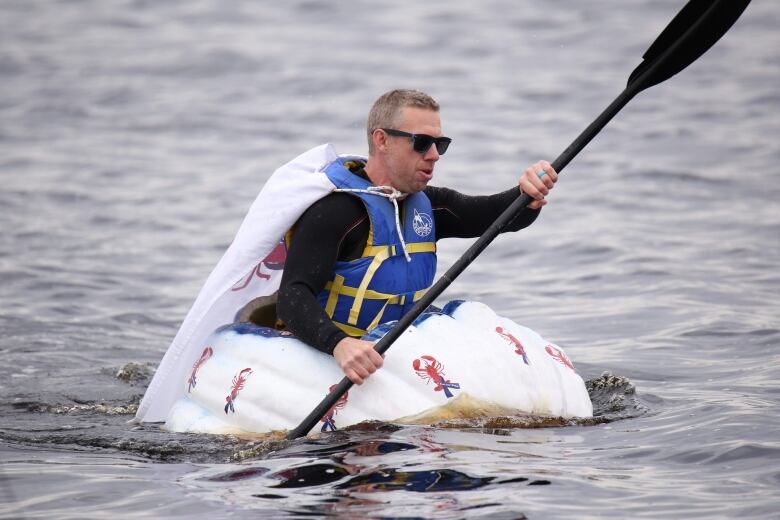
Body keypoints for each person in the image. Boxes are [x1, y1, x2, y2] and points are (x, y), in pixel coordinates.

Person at [276, 89, 557, 386]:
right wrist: (339, 344)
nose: (434, 155)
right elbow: (293, 296)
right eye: (422, 143)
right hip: (332, 355)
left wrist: (527, 194)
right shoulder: (336, 211)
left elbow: (497, 215)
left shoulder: (430, 205)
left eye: (440, 144)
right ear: (381, 140)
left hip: (395, 352)